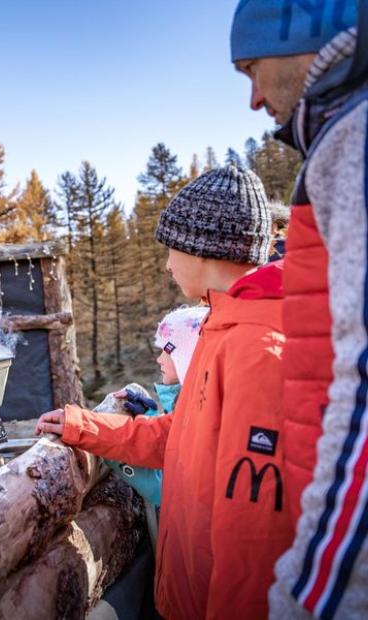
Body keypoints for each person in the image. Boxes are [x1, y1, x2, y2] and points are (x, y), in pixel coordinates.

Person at [36, 166, 292, 620]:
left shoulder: (258, 349)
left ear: (204, 250)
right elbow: (181, 435)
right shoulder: (221, 326)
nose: (168, 263)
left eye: (171, 249)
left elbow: (256, 535)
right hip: (188, 594)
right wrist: (85, 425)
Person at [230, 2, 368, 616]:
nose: (254, 100)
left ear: (303, 37)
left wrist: (311, 595)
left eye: (251, 68)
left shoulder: (356, 139)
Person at [106, 304, 209, 510]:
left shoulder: (201, 414)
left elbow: (174, 491)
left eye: (166, 351)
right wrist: (152, 417)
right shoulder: (189, 402)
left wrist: (113, 452)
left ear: (186, 358)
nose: (159, 359)